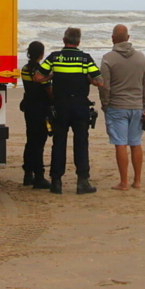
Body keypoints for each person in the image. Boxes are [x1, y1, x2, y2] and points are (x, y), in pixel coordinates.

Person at [35, 27, 104, 195]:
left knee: (58, 143)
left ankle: (56, 182)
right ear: (78, 42)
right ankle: (82, 182)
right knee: (81, 144)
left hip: (60, 106)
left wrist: (51, 77)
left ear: (63, 40)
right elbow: (99, 81)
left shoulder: (54, 57)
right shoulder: (85, 59)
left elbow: (37, 77)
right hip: (80, 106)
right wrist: (87, 78)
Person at [99, 24, 145, 191]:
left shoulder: (108, 58)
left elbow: (104, 85)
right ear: (128, 38)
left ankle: (123, 182)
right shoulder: (141, 58)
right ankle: (137, 180)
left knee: (120, 143)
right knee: (135, 143)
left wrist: (105, 104)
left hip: (117, 105)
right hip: (137, 106)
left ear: (113, 39)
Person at [19, 41, 51, 189]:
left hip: (29, 107)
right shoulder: (39, 70)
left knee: (30, 140)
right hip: (40, 108)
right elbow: (48, 90)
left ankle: (27, 174)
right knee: (39, 142)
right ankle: (39, 176)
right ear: (41, 54)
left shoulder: (25, 68)